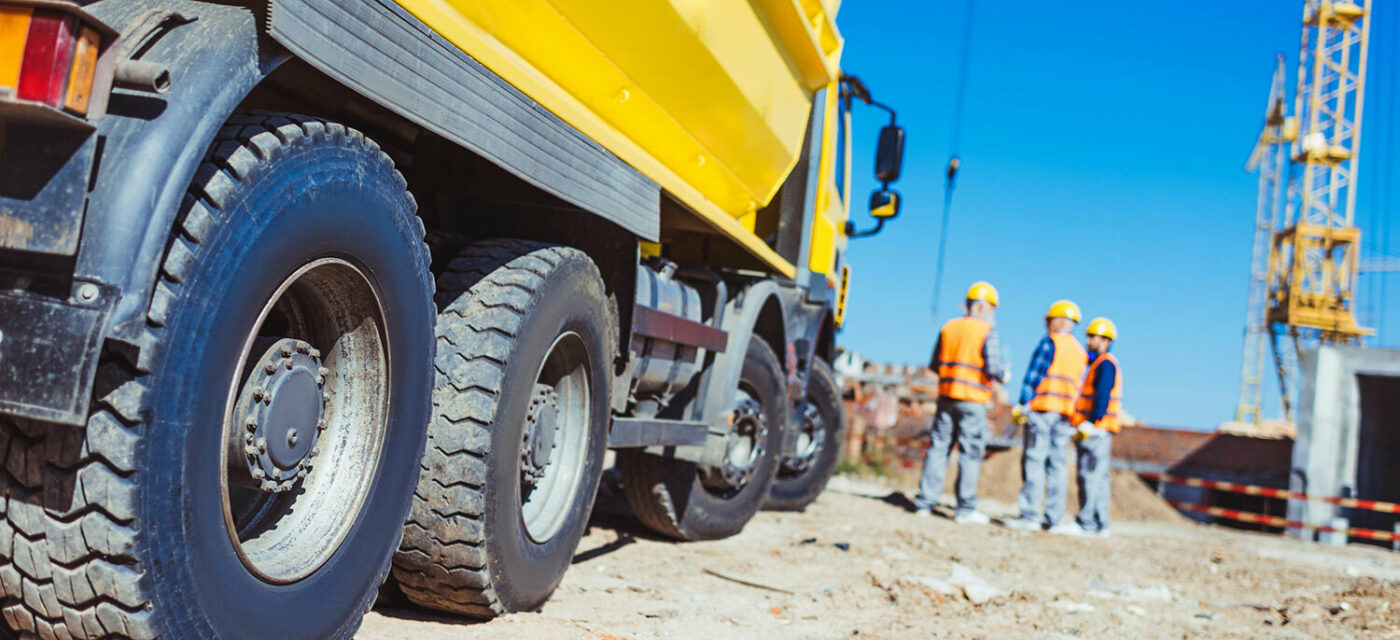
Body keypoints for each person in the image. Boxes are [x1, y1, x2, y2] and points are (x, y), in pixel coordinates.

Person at [913, 281, 1010, 524]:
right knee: (970, 452)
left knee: (938, 448)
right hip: (973, 400)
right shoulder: (987, 331)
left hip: (947, 396)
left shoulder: (949, 328)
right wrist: (1004, 374)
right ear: (983, 307)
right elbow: (994, 368)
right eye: (992, 308)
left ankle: (925, 502)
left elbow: (935, 364)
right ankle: (965, 509)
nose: (993, 314)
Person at [1004, 300, 1088, 533]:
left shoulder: (1050, 342)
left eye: (1050, 320)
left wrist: (1023, 403)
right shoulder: (1080, 352)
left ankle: (1029, 514)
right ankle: (1053, 517)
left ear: (1059, 320)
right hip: (1065, 414)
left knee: (1034, 459)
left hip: (1042, 409)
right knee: (1057, 465)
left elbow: (1035, 375)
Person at [1066, 317, 1123, 537]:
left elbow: (1103, 395)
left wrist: (1091, 422)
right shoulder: (1098, 364)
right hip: (1099, 429)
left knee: (1090, 476)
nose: (1088, 341)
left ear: (1106, 340)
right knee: (1098, 478)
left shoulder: (1105, 364)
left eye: (1093, 337)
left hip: (1096, 430)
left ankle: (1087, 523)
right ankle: (1100, 524)